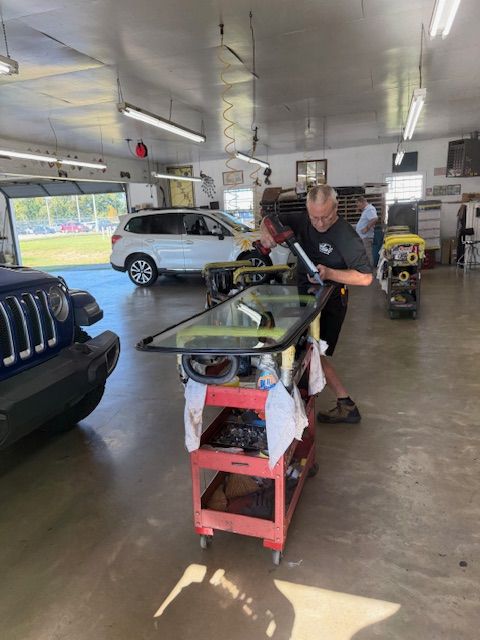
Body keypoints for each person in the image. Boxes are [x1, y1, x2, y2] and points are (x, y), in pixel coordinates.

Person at [259, 185, 373, 424]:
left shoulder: (345, 236)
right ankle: (302, 394)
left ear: (337, 208)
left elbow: (365, 277)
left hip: (330, 301)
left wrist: (330, 272)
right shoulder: (302, 219)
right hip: (306, 297)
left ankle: (345, 404)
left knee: (315, 352)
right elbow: (269, 219)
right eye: (315, 217)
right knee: (305, 349)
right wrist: (265, 231)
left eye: (326, 217)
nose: (320, 223)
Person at [355, 196, 378, 265]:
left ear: (363, 202)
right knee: (365, 254)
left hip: (366, 237)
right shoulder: (366, 210)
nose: (358, 207)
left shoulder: (369, 209)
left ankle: (370, 272)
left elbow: (374, 218)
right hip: (363, 237)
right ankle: (367, 270)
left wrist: (366, 228)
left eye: (359, 205)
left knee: (368, 255)